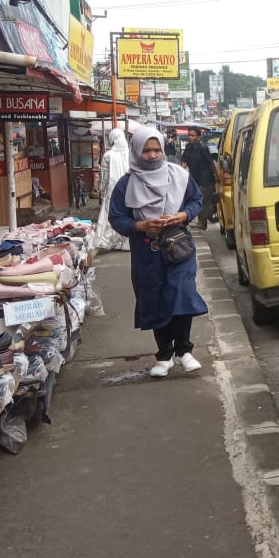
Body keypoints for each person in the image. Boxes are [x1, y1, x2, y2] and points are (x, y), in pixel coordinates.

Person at [108, 127, 208, 378]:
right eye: (146, 150)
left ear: (164, 151)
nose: (152, 155)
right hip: (146, 251)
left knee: (181, 293)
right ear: (137, 152)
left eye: (157, 150)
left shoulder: (180, 176)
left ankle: (184, 350)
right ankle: (164, 354)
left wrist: (182, 215)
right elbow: (117, 218)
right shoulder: (126, 184)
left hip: (178, 246)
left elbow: (196, 200)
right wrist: (141, 226)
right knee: (154, 298)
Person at [93, 128, 130, 252]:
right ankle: (126, 243)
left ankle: (109, 241)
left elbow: (104, 176)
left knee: (111, 215)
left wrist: (102, 190)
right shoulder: (131, 153)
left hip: (112, 189)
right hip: (128, 189)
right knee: (127, 214)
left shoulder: (107, 155)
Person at [180, 127, 216, 230]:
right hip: (194, 179)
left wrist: (217, 177)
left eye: (193, 135)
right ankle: (203, 218)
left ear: (198, 137)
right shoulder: (187, 148)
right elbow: (184, 163)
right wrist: (179, 175)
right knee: (192, 198)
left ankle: (202, 222)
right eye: (189, 135)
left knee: (203, 200)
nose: (190, 137)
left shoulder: (203, 148)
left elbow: (211, 164)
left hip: (206, 179)